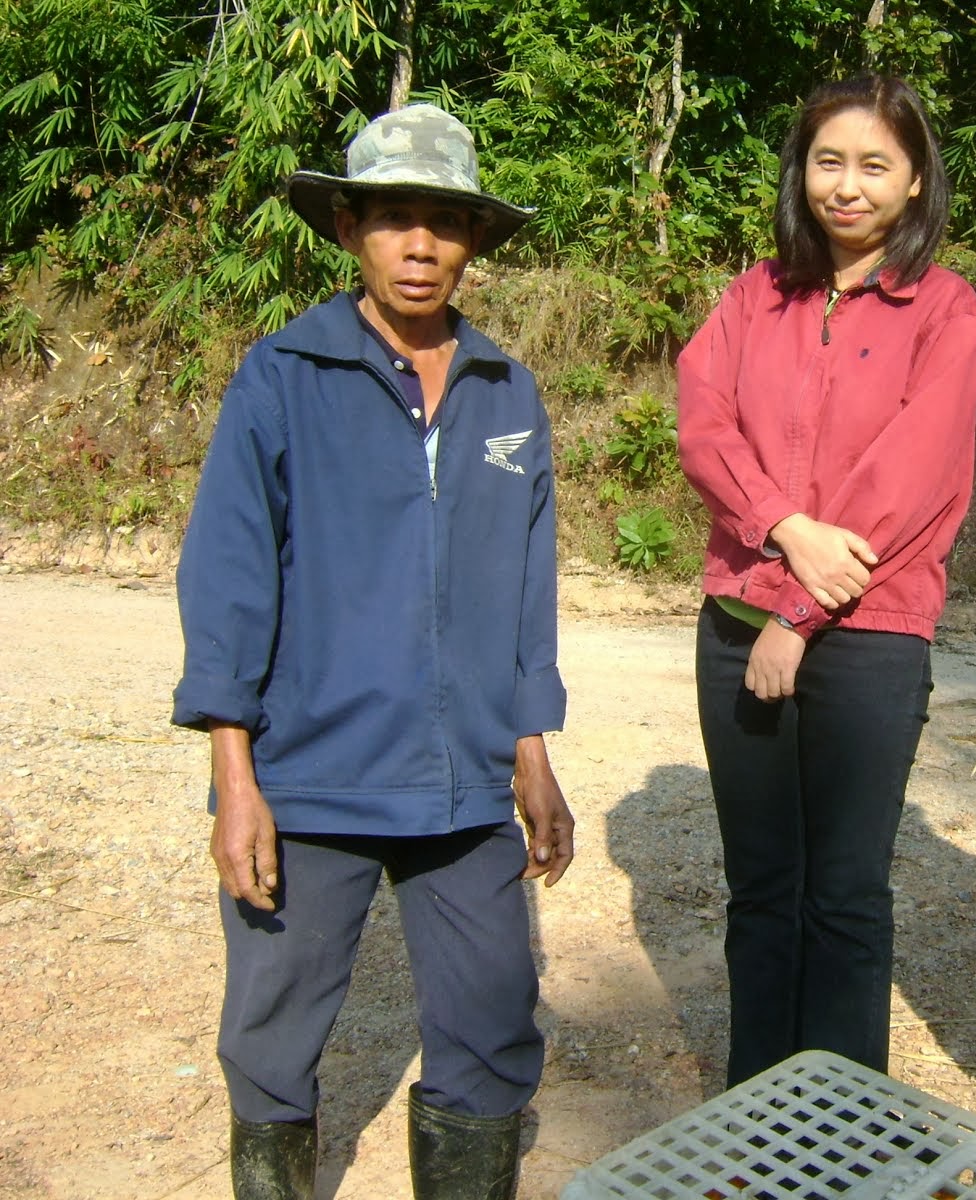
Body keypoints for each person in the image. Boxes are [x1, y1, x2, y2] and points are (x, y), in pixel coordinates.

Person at [171, 103, 574, 1200]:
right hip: (308, 776)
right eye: (395, 219)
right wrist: (235, 785)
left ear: (475, 239)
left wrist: (532, 749)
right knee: (271, 1035)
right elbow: (228, 585)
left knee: (492, 1032)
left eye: (445, 223)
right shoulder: (283, 379)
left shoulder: (507, 392)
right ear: (349, 226)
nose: (420, 246)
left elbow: (525, 585)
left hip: (465, 785)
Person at [676, 73, 976, 1086]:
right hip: (736, 617)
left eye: (872, 166)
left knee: (845, 894)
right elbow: (705, 425)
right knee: (761, 890)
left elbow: (912, 476)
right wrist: (780, 527)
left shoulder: (944, 311)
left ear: (912, 185)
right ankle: (754, 1118)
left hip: (868, 634)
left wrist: (800, 613)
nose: (845, 187)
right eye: (826, 161)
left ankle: (842, 1136)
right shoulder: (754, 295)